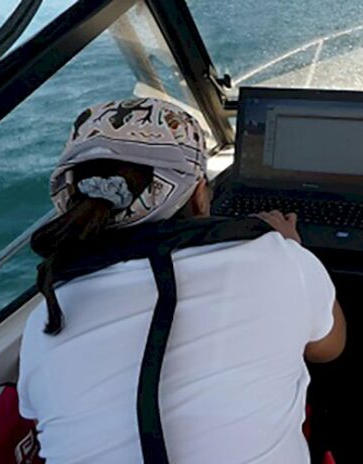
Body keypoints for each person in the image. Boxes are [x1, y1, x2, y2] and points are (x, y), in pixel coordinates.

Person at [17, 98, 345, 463]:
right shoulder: (278, 260)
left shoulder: (47, 317)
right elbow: (328, 348)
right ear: (200, 195)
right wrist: (289, 248)